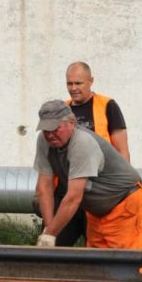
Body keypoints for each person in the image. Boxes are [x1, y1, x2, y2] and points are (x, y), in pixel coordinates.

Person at [33, 100, 142, 250]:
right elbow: (44, 187)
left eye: (56, 128)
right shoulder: (44, 141)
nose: (50, 135)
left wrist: (51, 234)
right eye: (46, 130)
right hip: (96, 209)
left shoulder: (82, 143)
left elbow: (73, 197)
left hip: (124, 203)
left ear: (72, 123)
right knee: (96, 262)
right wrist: (48, 229)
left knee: (125, 263)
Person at [52, 61, 130, 246]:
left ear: (91, 81)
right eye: (69, 83)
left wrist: (118, 194)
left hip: (97, 194)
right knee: (52, 247)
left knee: (99, 252)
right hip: (66, 193)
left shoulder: (107, 106)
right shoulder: (61, 109)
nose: (73, 88)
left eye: (78, 83)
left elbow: (123, 152)